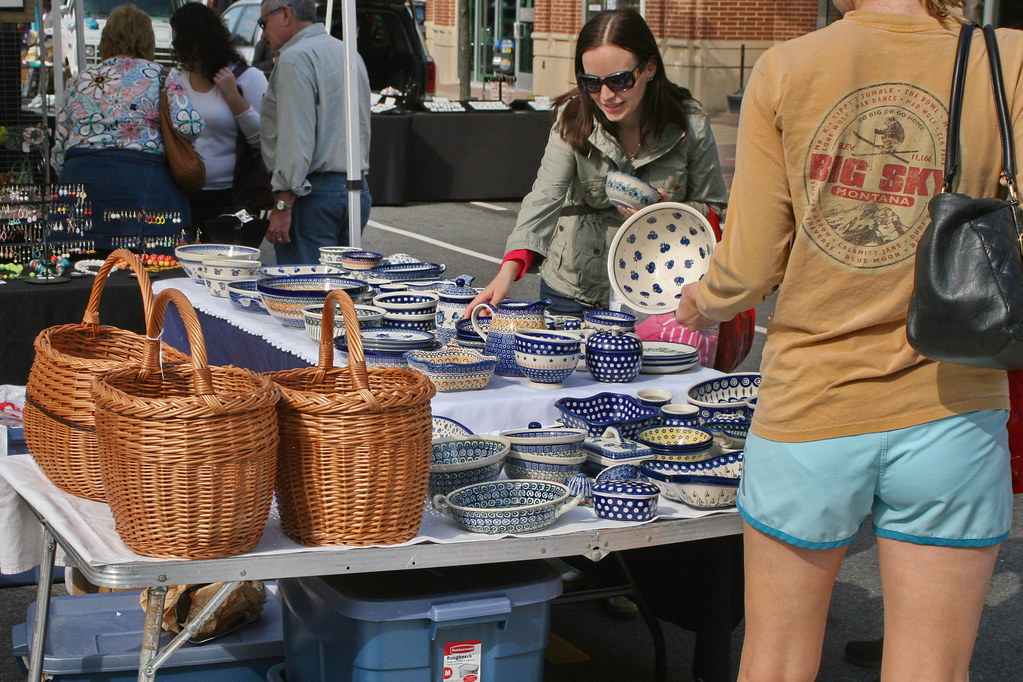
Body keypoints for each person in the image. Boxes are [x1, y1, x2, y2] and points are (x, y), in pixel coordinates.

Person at [674, 1, 1023, 680]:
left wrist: (699, 302)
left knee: (775, 660)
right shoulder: (1004, 59)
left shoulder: (789, 68)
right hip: (953, 400)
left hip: (813, 403)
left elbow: (746, 268)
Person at [466, 9, 727, 318]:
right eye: (591, 82)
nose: (606, 95)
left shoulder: (689, 125)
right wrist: (507, 273)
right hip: (573, 288)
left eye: (619, 80)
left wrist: (667, 209)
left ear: (650, 68)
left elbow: (714, 208)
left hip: (658, 290)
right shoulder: (573, 119)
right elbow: (544, 198)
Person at [52, 4, 203, 253]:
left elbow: (59, 151)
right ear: (148, 40)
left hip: (81, 181)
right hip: (145, 183)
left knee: (79, 267)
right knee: (147, 268)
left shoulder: (80, 80)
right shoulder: (163, 76)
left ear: (106, 39)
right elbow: (190, 125)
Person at [258, 0, 372, 264]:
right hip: (354, 188)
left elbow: (295, 138)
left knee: (306, 294)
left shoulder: (295, 58)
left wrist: (283, 204)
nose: (263, 34)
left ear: (285, 13)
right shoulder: (347, 52)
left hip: (312, 194)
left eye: (264, 23)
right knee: (343, 292)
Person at [171, 2, 270, 247]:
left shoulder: (248, 78)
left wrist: (234, 99)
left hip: (234, 197)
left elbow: (265, 139)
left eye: (179, 40)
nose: (175, 48)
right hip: (184, 195)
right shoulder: (175, 79)